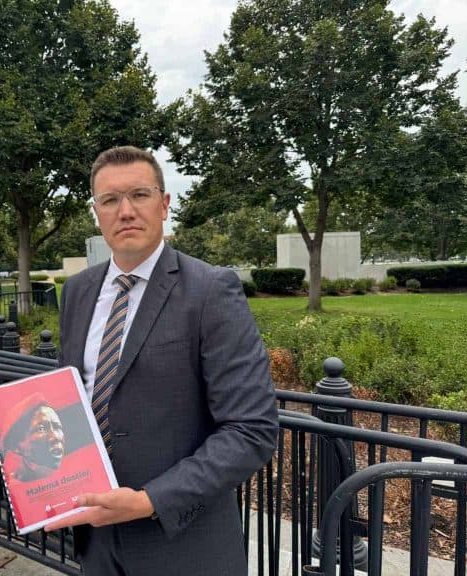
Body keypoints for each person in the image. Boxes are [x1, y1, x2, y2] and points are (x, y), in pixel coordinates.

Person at [47, 146, 279, 575]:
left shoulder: (210, 290)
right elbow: (70, 400)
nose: (126, 211)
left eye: (139, 194)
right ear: (96, 213)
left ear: (164, 204)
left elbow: (251, 429)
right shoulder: (78, 292)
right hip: (96, 540)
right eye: (110, 200)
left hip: (182, 545)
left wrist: (148, 501)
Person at [1, 393, 65, 482]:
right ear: (16, 446)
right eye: (41, 429)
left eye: (57, 427)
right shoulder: (14, 485)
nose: (55, 437)